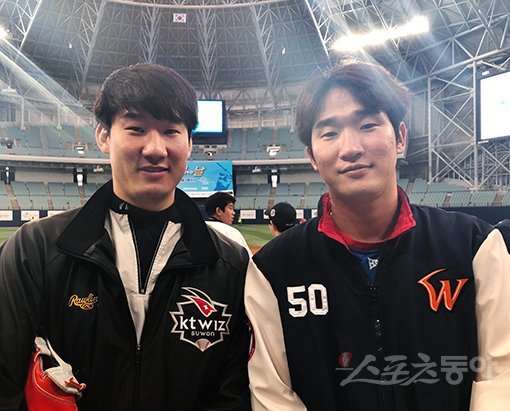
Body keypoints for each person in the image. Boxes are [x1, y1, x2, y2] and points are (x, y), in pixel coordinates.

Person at [245, 59, 510, 410]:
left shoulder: (474, 246)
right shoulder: (273, 269)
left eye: (367, 125)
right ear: (312, 156)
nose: (350, 147)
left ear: (400, 138)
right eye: (329, 133)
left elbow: (501, 374)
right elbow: (273, 395)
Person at [0, 63, 252, 410]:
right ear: (104, 136)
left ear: (190, 143)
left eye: (171, 131)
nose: (155, 148)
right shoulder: (35, 250)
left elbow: (232, 393)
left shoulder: (230, 263)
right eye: (136, 129)